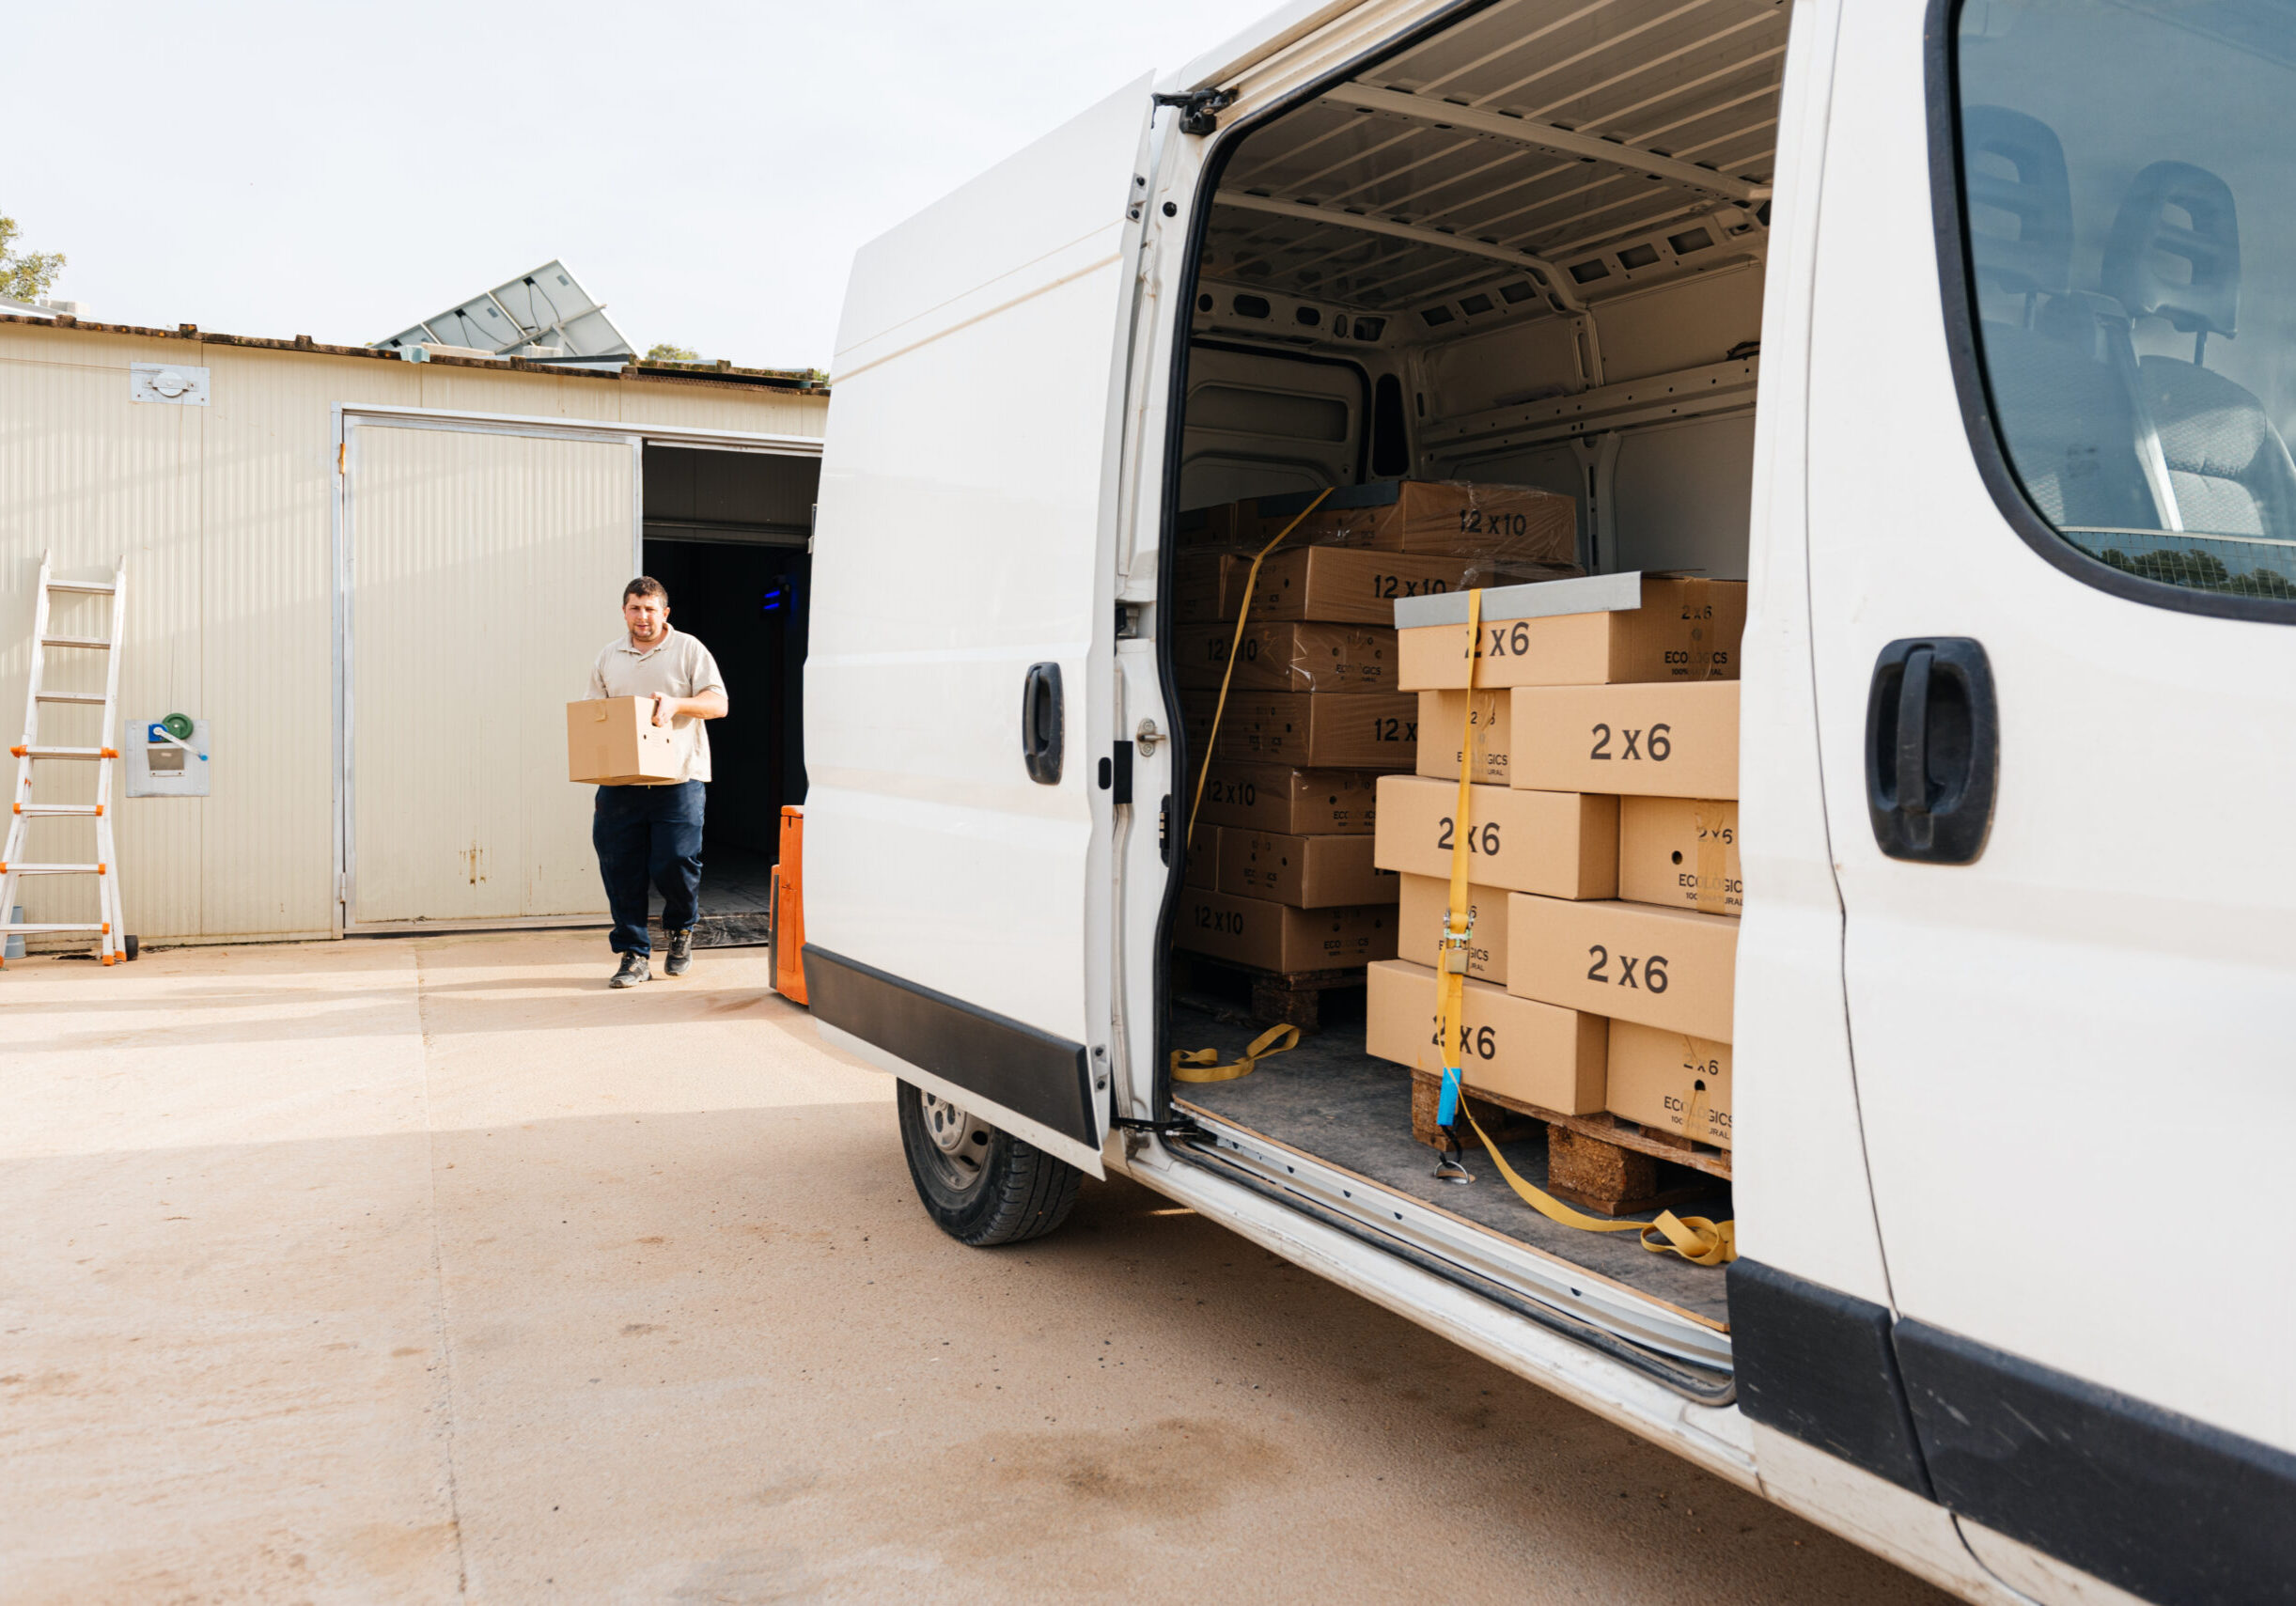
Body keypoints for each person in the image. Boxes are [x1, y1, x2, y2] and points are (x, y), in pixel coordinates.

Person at [588, 577, 728, 987]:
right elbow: (595, 713)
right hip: (621, 782)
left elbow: (718, 703)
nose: (642, 616)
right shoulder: (608, 656)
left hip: (678, 778)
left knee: (675, 863)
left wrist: (677, 704)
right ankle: (633, 954)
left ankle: (682, 927)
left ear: (664, 613)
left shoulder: (688, 649)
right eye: (635, 608)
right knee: (620, 869)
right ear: (624, 611)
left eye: (650, 609)